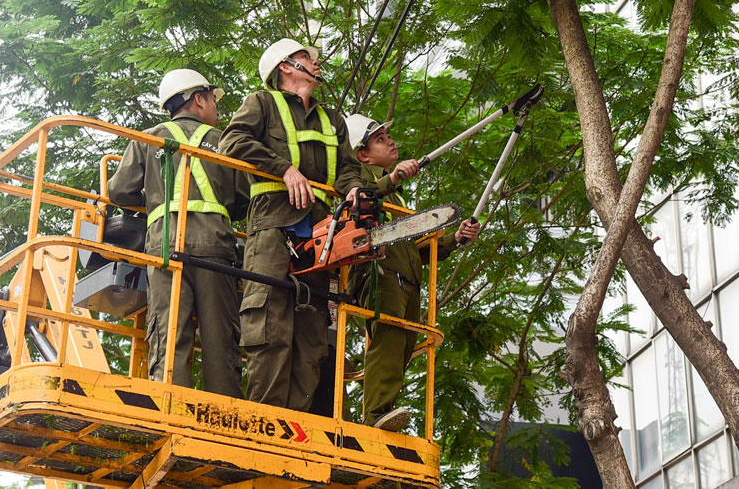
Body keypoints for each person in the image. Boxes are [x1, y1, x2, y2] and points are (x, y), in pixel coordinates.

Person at [218, 38, 363, 412]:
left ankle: (298, 426)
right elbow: (232, 141)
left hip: (322, 233)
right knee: (269, 325)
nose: (316, 64)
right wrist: (284, 169)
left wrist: (355, 191)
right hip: (272, 227)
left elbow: (348, 168)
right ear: (285, 67)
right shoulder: (262, 103)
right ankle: (264, 419)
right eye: (306, 58)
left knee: (313, 334)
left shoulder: (333, 120)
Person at [107, 68, 249, 396]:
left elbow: (118, 191)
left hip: (165, 247)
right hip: (215, 245)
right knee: (219, 338)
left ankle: (169, 406)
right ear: (198, 99)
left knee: (169, 333)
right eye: (213, 100)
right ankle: (223, 416)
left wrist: (151, 196)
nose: (217, 107)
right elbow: (244, 197)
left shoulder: (150, 138)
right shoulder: (225, 142)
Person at [344, 114, 481, 432]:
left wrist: (454, 240)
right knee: (389, 339)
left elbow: (412, 249)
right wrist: (390, 179)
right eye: (380, 139)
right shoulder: (358, 176)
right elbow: (353, 204)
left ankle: (383, 410)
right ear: (362, 152)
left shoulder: (394, 196)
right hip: (379, 272)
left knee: (403, 345)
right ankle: (375, 413)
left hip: (406, 275)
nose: (390, 141)